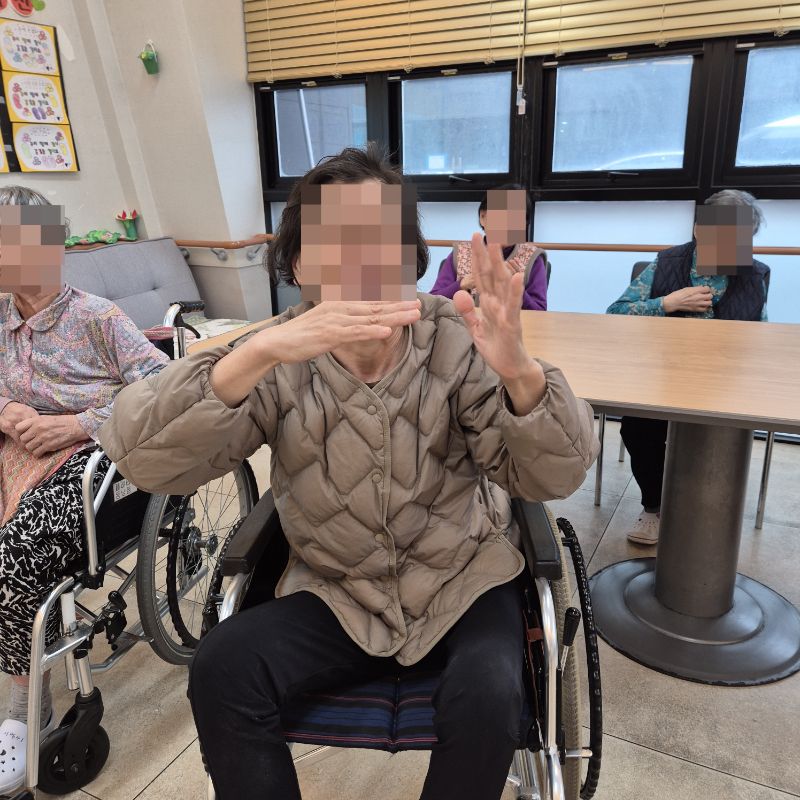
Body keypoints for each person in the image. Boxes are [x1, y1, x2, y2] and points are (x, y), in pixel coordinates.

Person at [99, 145, 599, 800]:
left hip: (462, 577)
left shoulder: (455, 337)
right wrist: (254, 354)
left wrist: (520, 373)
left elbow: (554, 476)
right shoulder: (278, 352)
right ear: (299, 265)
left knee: (492, 692)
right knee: (222, 665)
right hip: (337, 590)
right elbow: (140, 453)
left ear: (409, 257)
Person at [0, 186, 169, 795]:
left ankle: (28, 708)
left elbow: (161, 385)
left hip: (89, 456)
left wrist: (74, 424)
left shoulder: (98, 317)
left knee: (16, 556)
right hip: (14, 451)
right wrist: (9, 412)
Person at [607, 189, 769, 546]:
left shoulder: (754, 275)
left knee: (718, 438)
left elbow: (762, 335)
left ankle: (702, 508)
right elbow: (615, 313)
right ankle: (654, 507)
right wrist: (666, 303)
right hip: (661, 375)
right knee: (637, 428)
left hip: (724, 383)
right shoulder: (668, 263)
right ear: (699, 229)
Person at [430, 183, 548, 310]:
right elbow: (433, 301)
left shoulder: (533, 258)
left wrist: (513, 288)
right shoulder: (460, 253)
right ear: (483, 217)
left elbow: (540, 311)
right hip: (463, 322)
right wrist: (461, 284)